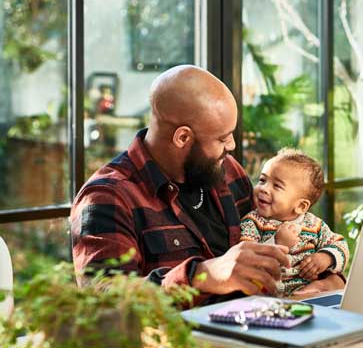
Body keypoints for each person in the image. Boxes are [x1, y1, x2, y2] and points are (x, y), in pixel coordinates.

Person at [70, 65, 344, 306]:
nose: (232, 146)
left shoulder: (227, 173)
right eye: (222, 138)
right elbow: (105, 303)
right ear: (182, 137)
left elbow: (271, 246)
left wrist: (326, 281)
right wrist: (203, 276)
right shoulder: (107, 197)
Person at [240, 148, 349, 297]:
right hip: (270, 297)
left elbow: (340, 245)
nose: (263, 189)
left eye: (277, 186)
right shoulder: (253, 222)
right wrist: (278, 243)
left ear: (301, 206)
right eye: (262, 180)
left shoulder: (314, 224)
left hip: (309, 294)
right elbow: (246, 260)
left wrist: (326, 257)